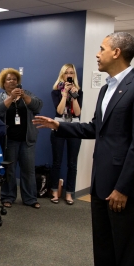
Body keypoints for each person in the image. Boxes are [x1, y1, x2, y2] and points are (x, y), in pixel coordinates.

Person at [33, 32, 134, 266]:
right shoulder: (107, 89)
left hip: (125, 187)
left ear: (117, 52)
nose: (97, 54)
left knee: (126, 249)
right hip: (103, 180)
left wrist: (123, 188)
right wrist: (59, 124)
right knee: (103, 242)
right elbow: (96, 128)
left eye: (101, 49)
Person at [0, 68, 43, 209]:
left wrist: (24, 97)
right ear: (3, 82)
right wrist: (11, 98)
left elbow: (38, 106)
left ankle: (30, 198)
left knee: (28, 170)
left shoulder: (28, 94)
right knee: (10, 170)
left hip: (27, 140)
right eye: (8, 79)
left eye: (14, 79)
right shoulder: (0, 97)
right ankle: (8, 197)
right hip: (9, 141)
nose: (12, 81)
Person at [49, 64, 83, 205]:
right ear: (62, 75)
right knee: (57, 162)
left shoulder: (79, 92)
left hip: (74, 127)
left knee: (72, 164)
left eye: (72, 73)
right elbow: (59, 111)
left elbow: (78, 113)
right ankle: (54, 191)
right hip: (59, 126)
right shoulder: (55, 92)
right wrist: (64, 95)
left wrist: (74, 97)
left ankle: (69, 193)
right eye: (67, 73)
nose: (70, 75)